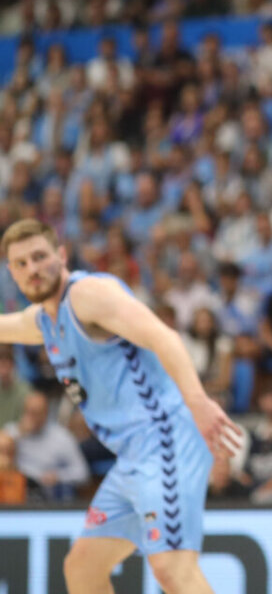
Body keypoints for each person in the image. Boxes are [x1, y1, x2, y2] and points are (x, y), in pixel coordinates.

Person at [0, 219, 240, 593]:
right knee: (82, 568)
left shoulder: (88, 295)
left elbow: (164, 336)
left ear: (61, 256)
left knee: (172, 569)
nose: (32, 269)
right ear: (11, 274)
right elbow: (6, 325)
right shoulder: (45, 320)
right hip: (132, 457)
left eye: (39, 257)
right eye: (21, 264)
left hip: (166, 437)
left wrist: (198, 401)